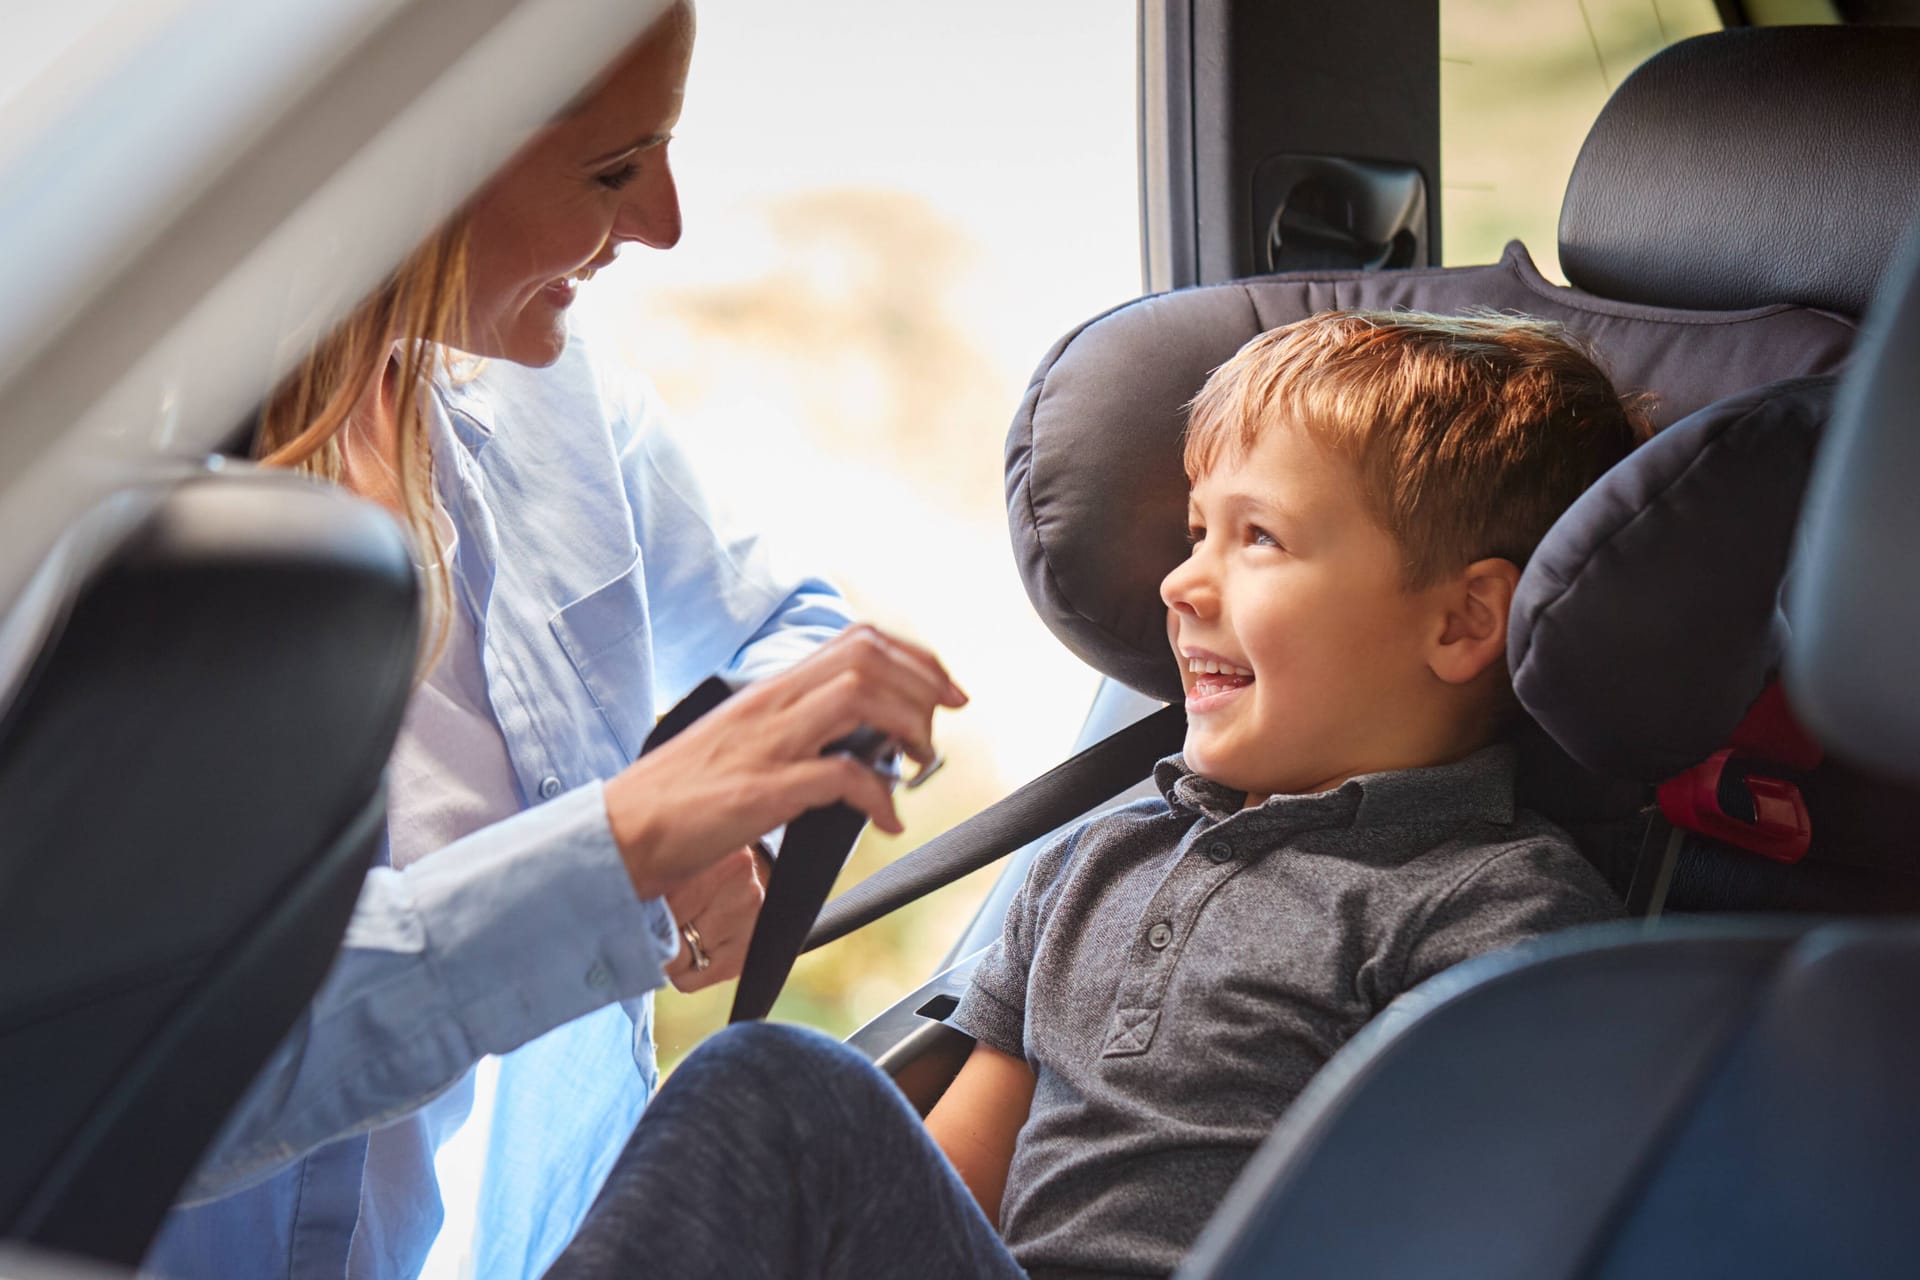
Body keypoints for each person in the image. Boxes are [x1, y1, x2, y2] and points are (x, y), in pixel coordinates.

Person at [541, 309, 1650, 1279]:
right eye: (1194, 531)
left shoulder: (1497, 919)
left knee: (770, 1080)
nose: (1180, 580)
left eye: (1257, 537)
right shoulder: (1093, 866)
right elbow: (955, 1194)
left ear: (1461, 621)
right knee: (772, 1095)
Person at [146, 4, 966, 1278]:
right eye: (611, 170)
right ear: (413, 166)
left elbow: (783, 628)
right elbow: (149, 1080)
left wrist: (720, 802)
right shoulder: (98, 522)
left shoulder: (554, 403)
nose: (666, 222)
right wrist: (626, 842)